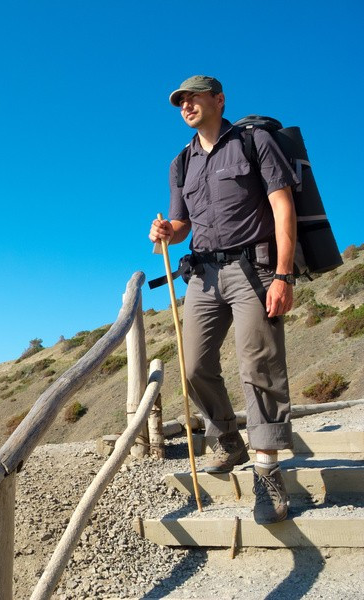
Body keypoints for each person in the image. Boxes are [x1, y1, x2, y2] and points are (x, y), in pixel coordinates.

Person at [149, 75, 298, 524]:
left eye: (193, 98)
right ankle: (229, 440)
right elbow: (181, 226)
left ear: (218, 99)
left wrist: (284, 276)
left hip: (254, 269)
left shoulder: (254, 143)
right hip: (202, 275)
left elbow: (282, 206)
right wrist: (164, 233)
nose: (186, 106)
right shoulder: (181, 163)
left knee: (259, 364)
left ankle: (267, 472)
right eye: (181, 102)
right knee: (193, 366)